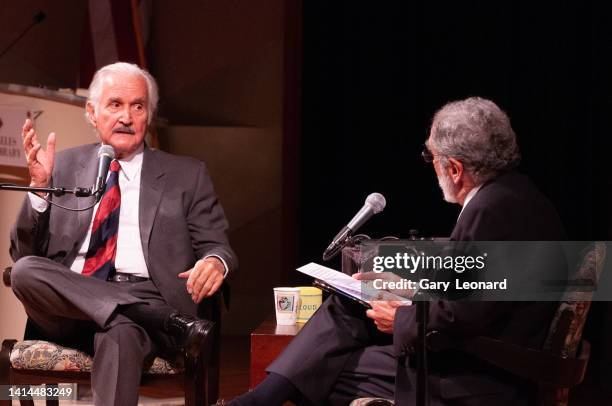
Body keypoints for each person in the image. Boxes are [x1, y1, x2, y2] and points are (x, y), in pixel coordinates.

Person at [229, 97, 565, 406]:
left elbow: (464, 314)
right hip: (480, 353)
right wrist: (405, 287)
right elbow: (479, 294)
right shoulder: (521, 196)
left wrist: (401, 317)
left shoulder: (490, 211)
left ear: (454, 169)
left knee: (322, 373)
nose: (431, 166)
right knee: (346, 304)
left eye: (430, 157)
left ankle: (262, 399)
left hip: (480, 374)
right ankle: (262, 399)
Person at [9, 62, 237, 406]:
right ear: (92, 111)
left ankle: (139, 315)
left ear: (150, 114)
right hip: (69, 306)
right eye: (115, 104)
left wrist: (216, 262)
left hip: (146, 296)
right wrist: (39, 190)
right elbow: (23, 250)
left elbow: (218, 246)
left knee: (123, 335)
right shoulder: (62, 166)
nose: (126, 117)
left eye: (138, 106)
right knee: (25, 270)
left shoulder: (186, 175)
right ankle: (149, 314)